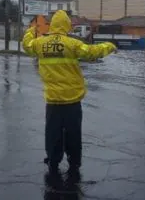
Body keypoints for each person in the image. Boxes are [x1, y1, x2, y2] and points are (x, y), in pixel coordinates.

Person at [22, 10, 117, 175]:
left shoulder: (40, 43)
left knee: (52, 133)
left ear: (52, 25)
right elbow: (92, 52)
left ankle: (53, 160)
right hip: (72, 100)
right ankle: (74, 163)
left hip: (53, 101)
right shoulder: (72, 44)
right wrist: (109, 46)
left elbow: (27, 45)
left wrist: (31, 30)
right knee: (73, 133)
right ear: (66, 25)